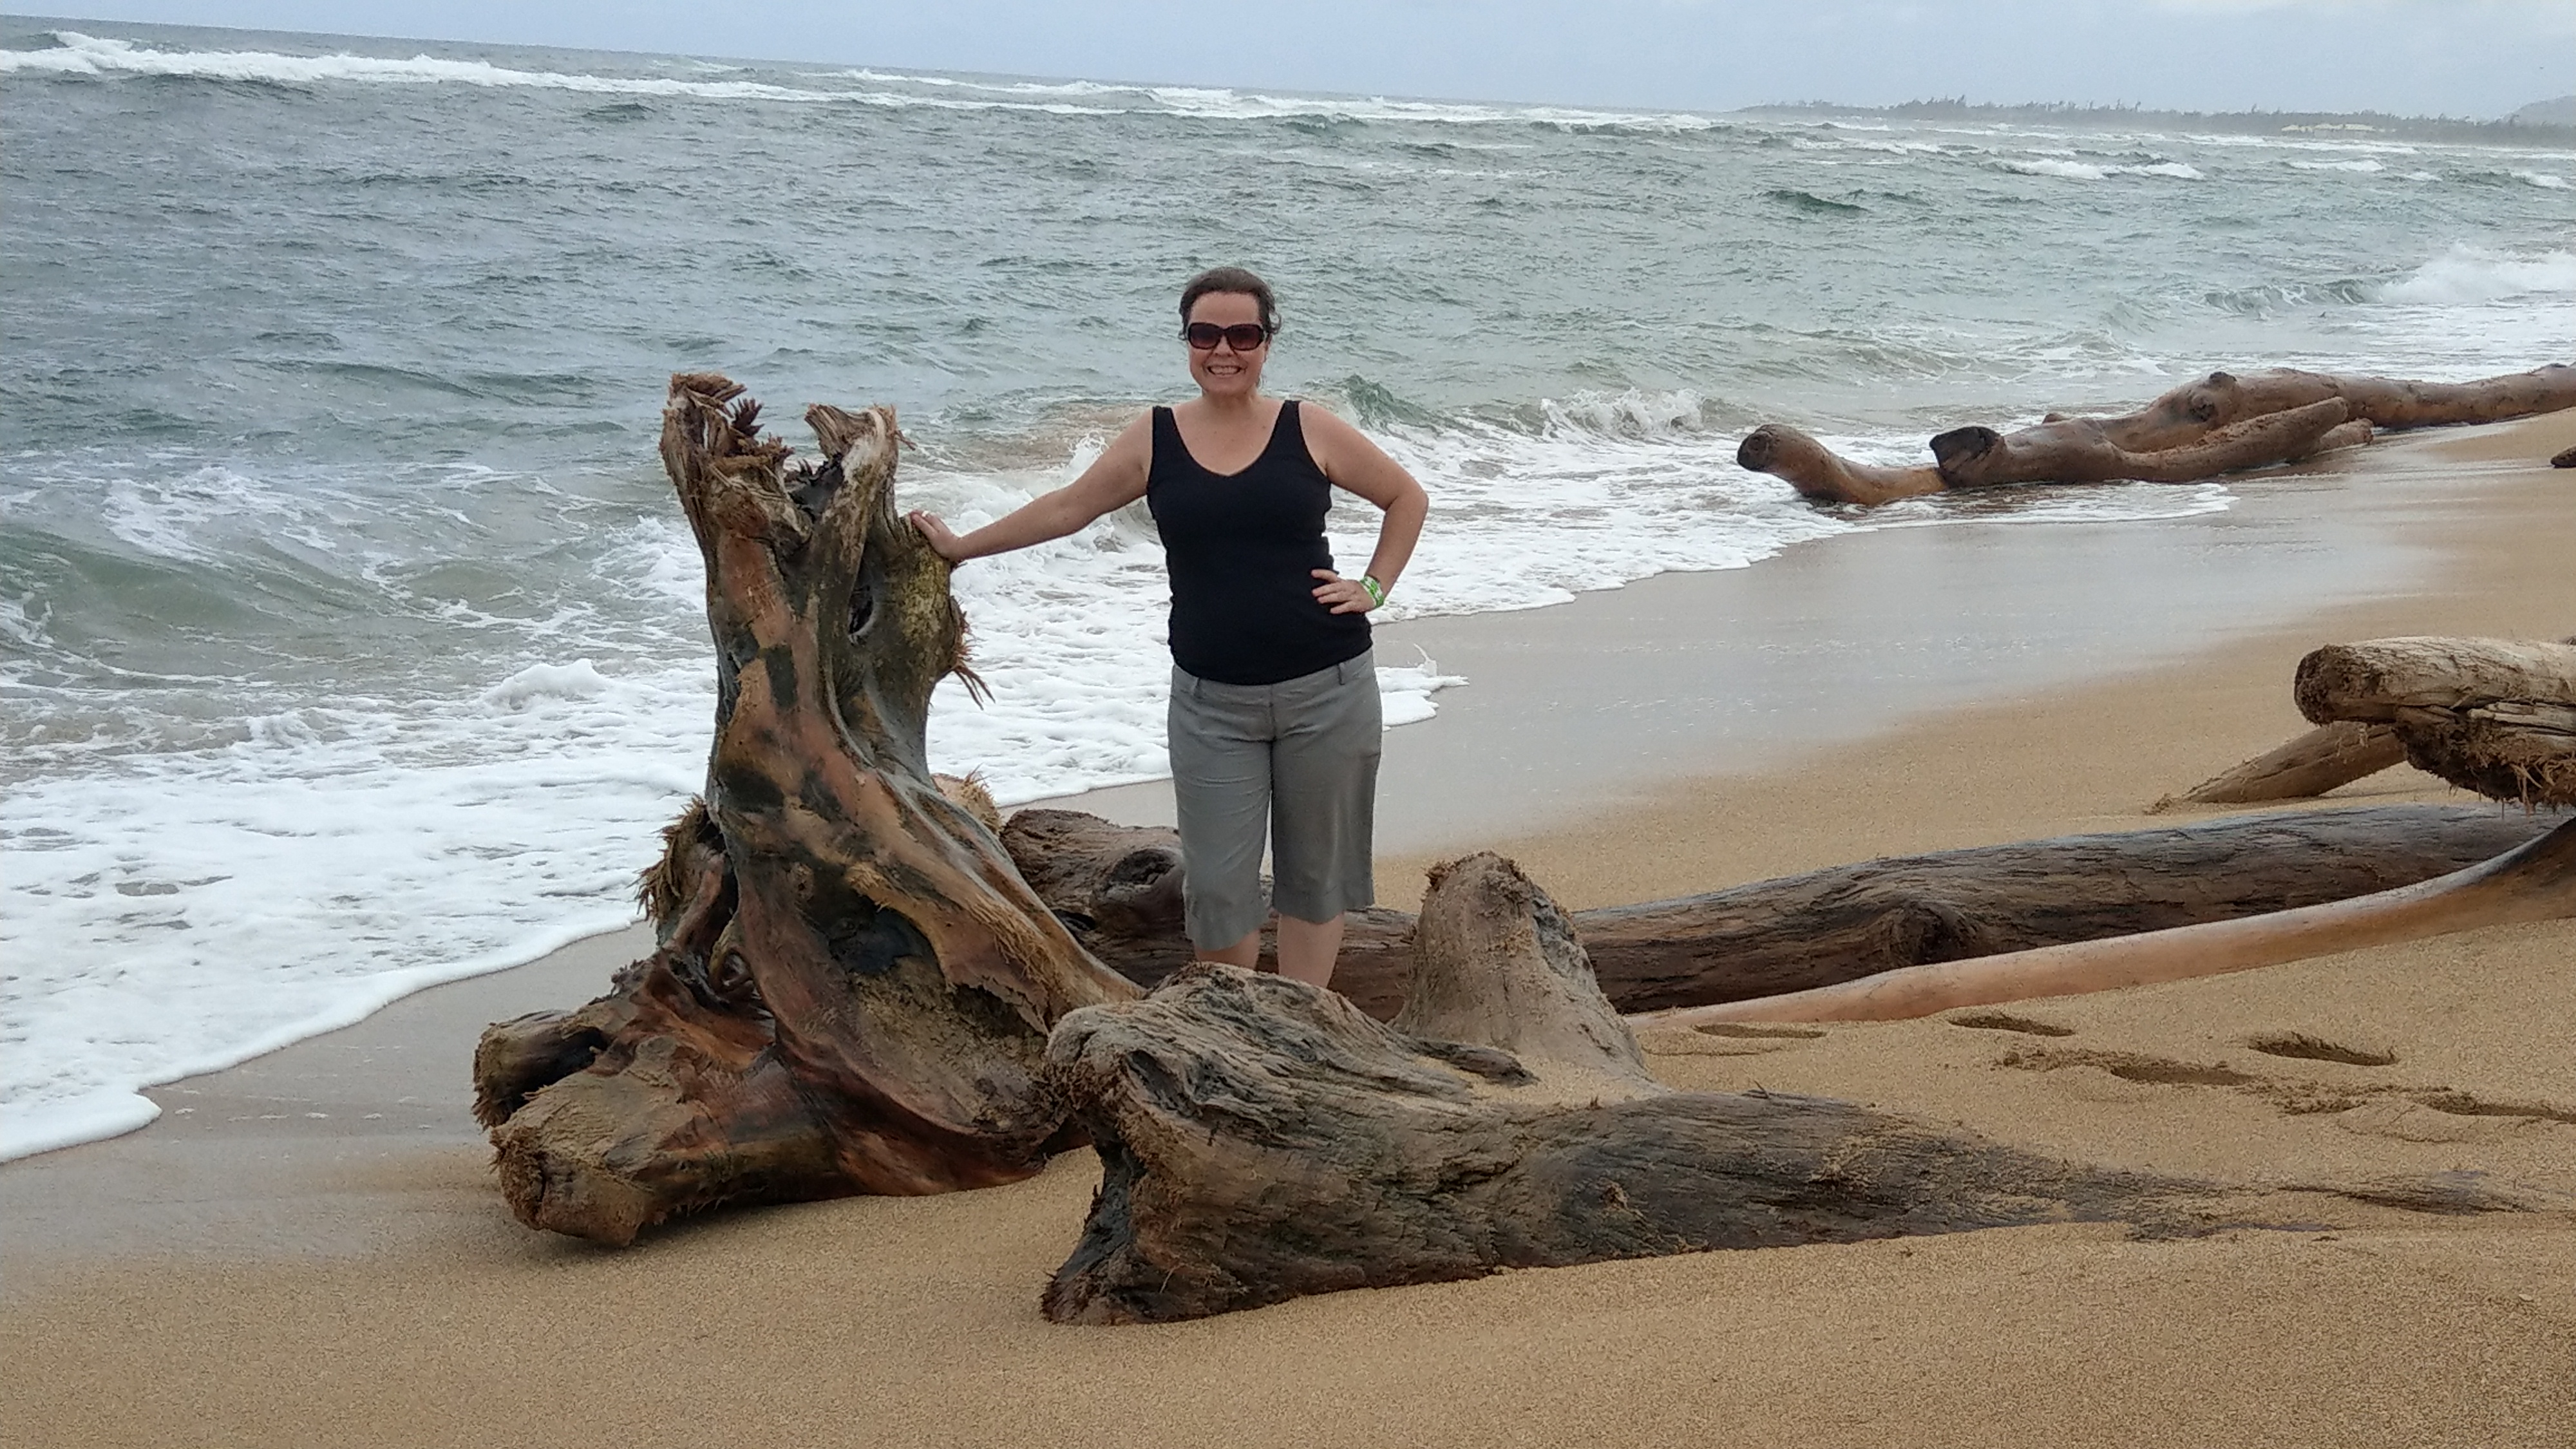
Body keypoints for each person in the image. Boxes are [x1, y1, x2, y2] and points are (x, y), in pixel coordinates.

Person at [910, 267, 1429, 988]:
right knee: (1217, 892)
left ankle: (1302, 1023)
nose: (1224, 350)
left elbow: (1405, 496)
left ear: (1266, 342)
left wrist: (1372, 587)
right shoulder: (1155, 437)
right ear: (1187, 341)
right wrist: (962, 547)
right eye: (1205, 334)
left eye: (1242, 334)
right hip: (1212, 706)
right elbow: (1068, 508)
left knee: (1316, 881)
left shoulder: (1307, 427)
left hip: (1328, 690)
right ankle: (1232, 1024)